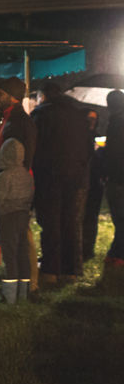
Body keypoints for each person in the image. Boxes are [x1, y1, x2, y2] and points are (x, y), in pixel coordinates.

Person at [31, 81, 91, 284]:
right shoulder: (79, 115)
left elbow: (35, 147)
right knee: (70, 223)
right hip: (75, 177)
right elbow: (88, 147)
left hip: (49, 177)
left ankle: (50, 270)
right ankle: (70, 270)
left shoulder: (41, 115)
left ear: (43, 96)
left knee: (51, 224)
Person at [0, 139, 34, 303]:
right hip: (23, 216)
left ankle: (9, 295)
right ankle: (24, 292)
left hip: (8, 217)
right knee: (22, 253)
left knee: (10, 254)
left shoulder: (3, 177)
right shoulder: (26, 175)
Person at [103, 90, 124, 267]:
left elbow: (113, 153)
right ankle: (115, 251)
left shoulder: (116, 122)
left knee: (119, 217)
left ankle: (118, 253)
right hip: (118, 177)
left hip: (117, 178)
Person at [81, 108, 104, 261]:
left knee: (91, 216)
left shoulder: (99, 138)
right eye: (89, 118)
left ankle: (88, 249)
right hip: (81, 181)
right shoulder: (78, 138)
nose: (91, 122)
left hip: (95, 182)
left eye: (94, 119)